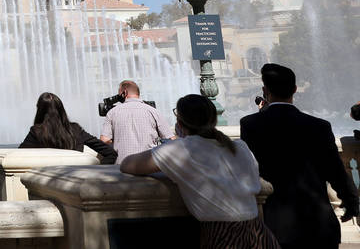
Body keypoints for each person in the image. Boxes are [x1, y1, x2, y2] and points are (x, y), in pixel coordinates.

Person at [120, 94, 279, 248]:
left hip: (223, 237)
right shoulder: (241, 147)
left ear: (180, 122)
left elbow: (127, 164)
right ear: (214, 119)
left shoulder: (180, 149)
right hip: (260, 233)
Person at [239, 63, 359, 248]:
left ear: (265, 90)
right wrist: (351, 202)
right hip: (318, 225)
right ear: (295, 89)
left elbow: (249, 170)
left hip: (274, 226)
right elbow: (335, 171)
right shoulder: (319, 126)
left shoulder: (249, 125)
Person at [20, 92, 117, 164]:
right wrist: (95, 171)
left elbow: (19, 155)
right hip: (75, 181)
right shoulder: (75, 129)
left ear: (40, 111)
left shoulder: (36, 132)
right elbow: (110, 153)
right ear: (61, 109)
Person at [99, 79, 174, 159]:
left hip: (122, 164)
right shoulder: (153, 111)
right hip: (148, 164)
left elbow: (104, 140)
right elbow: (171, 139)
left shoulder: (112, 112)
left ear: (124, 93)